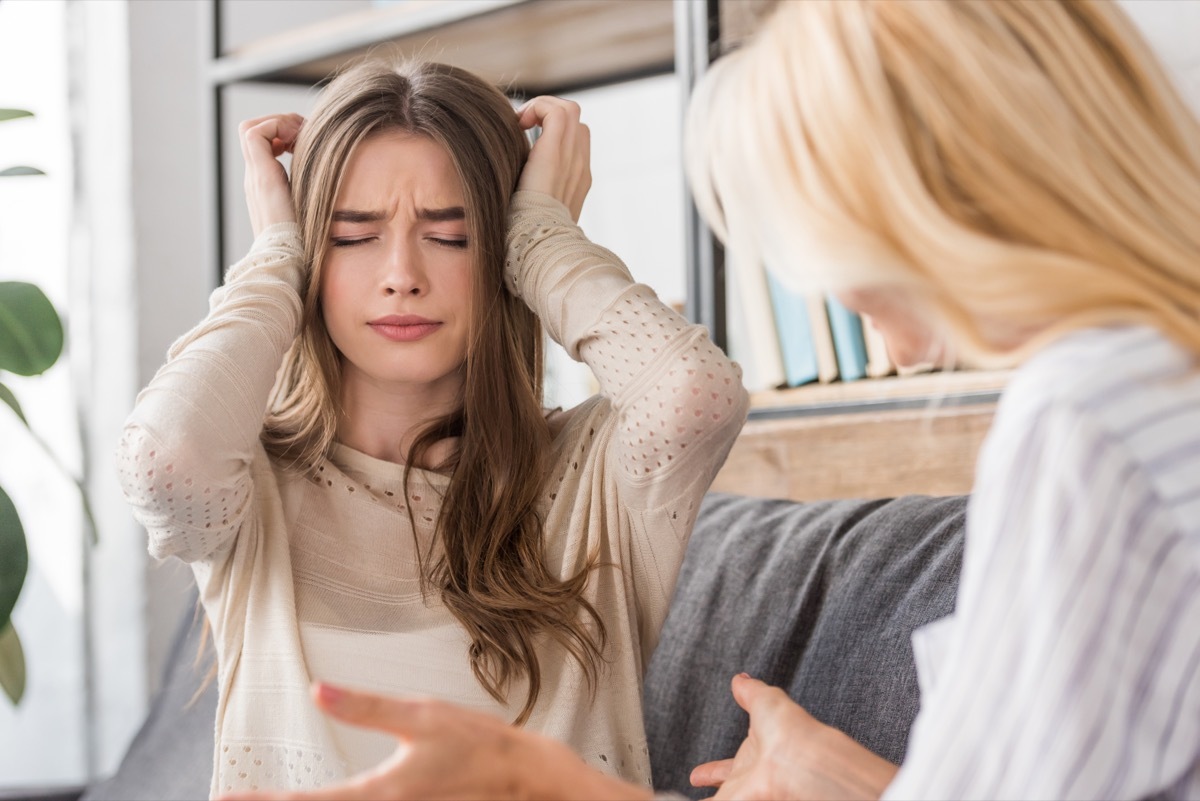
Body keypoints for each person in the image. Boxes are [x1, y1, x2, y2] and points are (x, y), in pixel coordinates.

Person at [217, 1, 1200, 799]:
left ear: (948, 208)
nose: (900, 353)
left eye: (868, 283)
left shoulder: (1086, 425)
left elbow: (693, 396)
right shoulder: (1153, 397)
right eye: (350, 235)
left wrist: (549, 788)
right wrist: (858, 785)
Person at [116, 56, 748, 798]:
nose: (402, 275)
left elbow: (697, 396)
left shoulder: (592, 481)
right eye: (352, 236)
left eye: (452, 235)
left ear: (502, 255)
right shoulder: (251, 487)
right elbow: (163, 458)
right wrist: (274, 261)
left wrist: (543, 237)